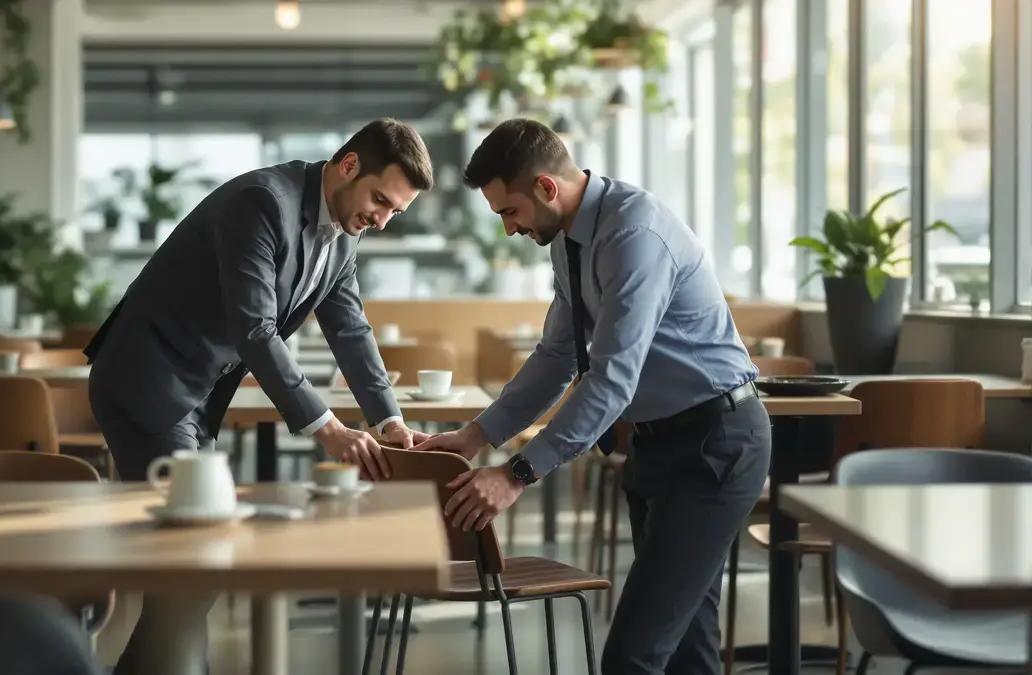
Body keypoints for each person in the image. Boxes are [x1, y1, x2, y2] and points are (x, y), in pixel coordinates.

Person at [414, 119, 770, 675]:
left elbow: (610, 379)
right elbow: (557, 357)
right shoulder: (567, 241)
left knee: (633, 654)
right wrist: (476, 436)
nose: (509, 229)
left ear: (546, 189)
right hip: (657, 448)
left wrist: (515, 475)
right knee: (684, 647)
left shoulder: (634, 234)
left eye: (509, 212)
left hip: (715, 445)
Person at [84, 118, 435, 674]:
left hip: (195, 394)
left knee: (192, 569)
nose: (383, 220)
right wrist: (327, 429)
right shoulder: (263, 203)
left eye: (395, 211)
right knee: (192, 564)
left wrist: (387, 418)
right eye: (380, 201)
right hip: (148, 383)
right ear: (348, 166)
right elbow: (256, 331)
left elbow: (349, 328)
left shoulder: (343, 234)